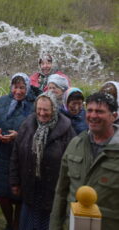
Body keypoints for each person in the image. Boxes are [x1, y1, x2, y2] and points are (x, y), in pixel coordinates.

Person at [50, 92, 119, 230]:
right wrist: (55, 225)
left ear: (114, 116)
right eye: (90, 110)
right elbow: (61, 191)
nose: (93, 116)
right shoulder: (75, 144)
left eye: (100, 111)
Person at [10, 92, 76, 230]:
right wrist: (15, 181)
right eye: (39, 109)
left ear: (54, 109)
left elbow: (73, 163)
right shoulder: (28, 124)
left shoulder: (66, 130)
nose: (41, 113)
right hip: (30, 189)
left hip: (52, 192)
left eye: (46, 110)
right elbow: (16, 154)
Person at [0, 73, 36, 230]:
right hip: (3, 154)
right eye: (15, 87)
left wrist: (19, 136)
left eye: (22, 87)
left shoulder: (34, 105)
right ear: (11, 86)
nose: (18, 91)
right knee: (2, 195)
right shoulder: (2, 102)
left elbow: (38, 130)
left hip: (24, 156)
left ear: (27, 87)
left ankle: (17, 224)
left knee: (20, 195)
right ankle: (10, 222)